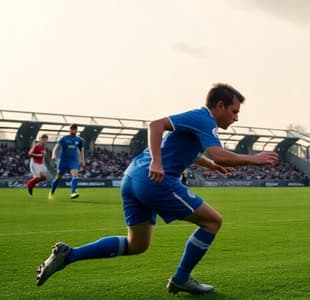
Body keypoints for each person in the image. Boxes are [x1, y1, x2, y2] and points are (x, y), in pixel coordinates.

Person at [36, 83, 279, 294]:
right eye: (234, 111)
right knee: (212, 221)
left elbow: (184, 148)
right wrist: (253, 158)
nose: (236, 118)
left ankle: (69, 255)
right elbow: (155, 125)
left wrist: (210, 165)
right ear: (219, 105)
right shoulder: (204, 119)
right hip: (155, 180)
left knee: (136, 245)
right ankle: (182, 279)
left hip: (132, 178)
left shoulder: (198, 122)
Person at [49, 124, 85, 200]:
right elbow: (56, 148)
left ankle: (73, 193)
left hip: (73, 161)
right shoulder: (64, 138)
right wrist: (53, 155)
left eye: (74, 129)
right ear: (69, 129)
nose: (73, 130)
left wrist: (82, 160)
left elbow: (81, 151)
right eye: (72, 129)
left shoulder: (79, 140)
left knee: (75, 175)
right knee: (58, 178)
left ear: (76, 130)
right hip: (63, 161)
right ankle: (52, 192)